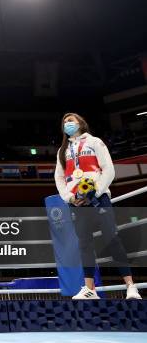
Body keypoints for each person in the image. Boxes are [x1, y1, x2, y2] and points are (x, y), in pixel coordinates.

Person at [54, 112, 141, 300]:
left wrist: (97, 191)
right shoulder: (63, 151)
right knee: (84, 243)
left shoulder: (95, 142)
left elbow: (108, 169)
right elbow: (59, 178)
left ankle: (131, 286)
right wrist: (70, 198)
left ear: (81, 123)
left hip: (99, 199)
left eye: (71, 120)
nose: (67, 123)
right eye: (64, 122)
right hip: (76, 203)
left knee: (112, 238)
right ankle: (89, 289)